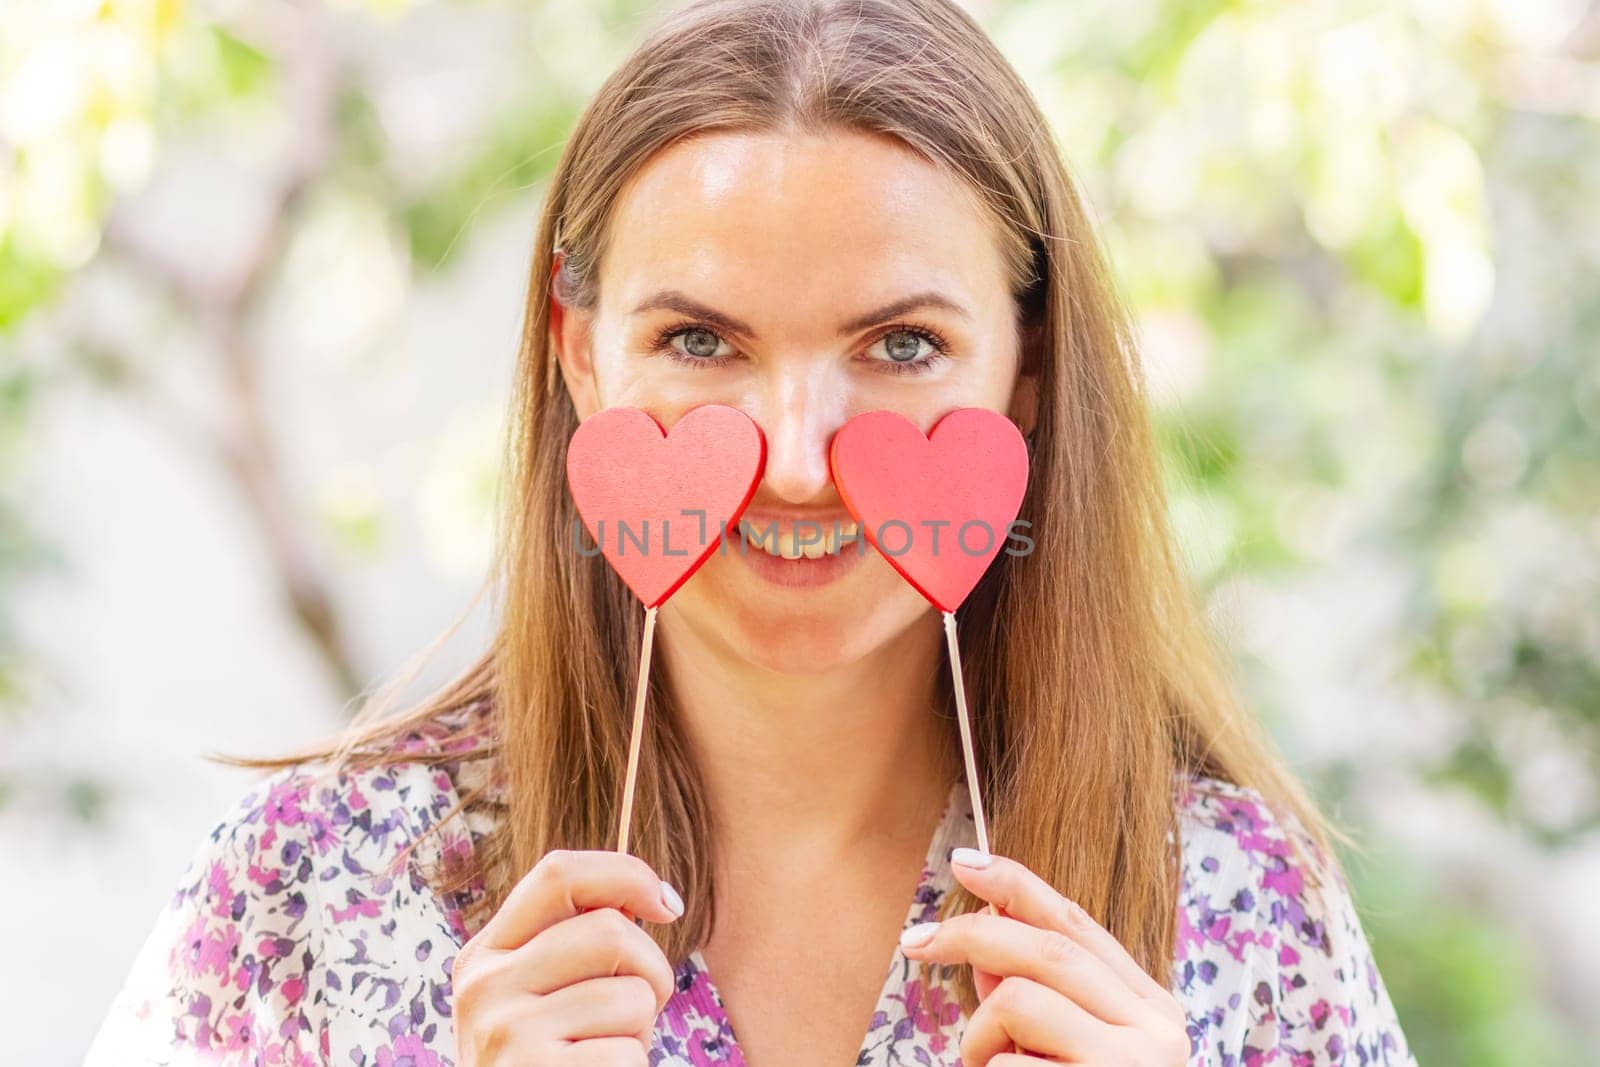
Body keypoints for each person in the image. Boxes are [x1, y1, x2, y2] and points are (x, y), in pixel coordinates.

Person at [85, 0, 1419, 1064]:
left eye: (902, 343)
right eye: (699, 340)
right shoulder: (303, 888)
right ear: (584, 364)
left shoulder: (1245, 913)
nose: (790, 461)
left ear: (1024, 373)